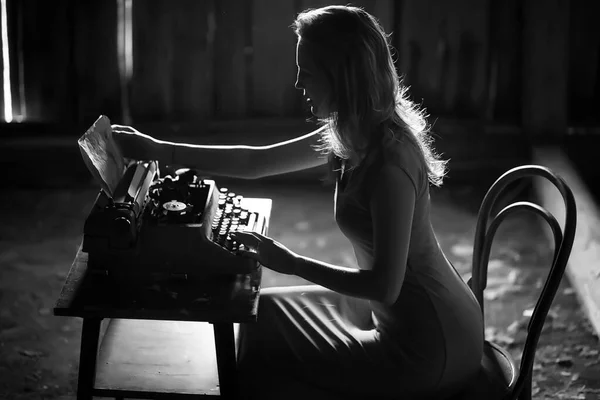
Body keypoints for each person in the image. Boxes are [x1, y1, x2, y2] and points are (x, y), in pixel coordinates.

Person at [112, 5, 484, 399]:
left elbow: (385, 285)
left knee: (262, 362)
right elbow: (258, 161)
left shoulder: (390, 164)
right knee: (257, 316)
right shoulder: (353, 131)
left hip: (429, 344)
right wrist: (160, 149)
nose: (297, 82)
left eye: (307, 71)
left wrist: (291, 263)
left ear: (342, 76)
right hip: (404, 314)